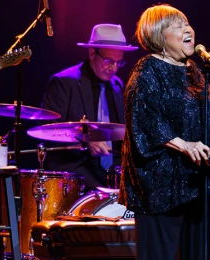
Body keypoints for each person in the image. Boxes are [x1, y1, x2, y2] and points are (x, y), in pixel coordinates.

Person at [119, 4, 210, 260]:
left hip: (199, 183)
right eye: (177, 26)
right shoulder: (147, 71)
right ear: (158, 35)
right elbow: (145, 118)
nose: (188, 29)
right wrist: (184, 145)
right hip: (161, 185)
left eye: (187, 23)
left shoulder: (193, 70)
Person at [40, 23, 138, 190]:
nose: (113, 68)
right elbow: (48, 132)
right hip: (76, 167)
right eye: (108, 61)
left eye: (119, 62)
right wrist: (85, 140)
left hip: (113, 168)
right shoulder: (64, 82)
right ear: (92, 53)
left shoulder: (117, 86)